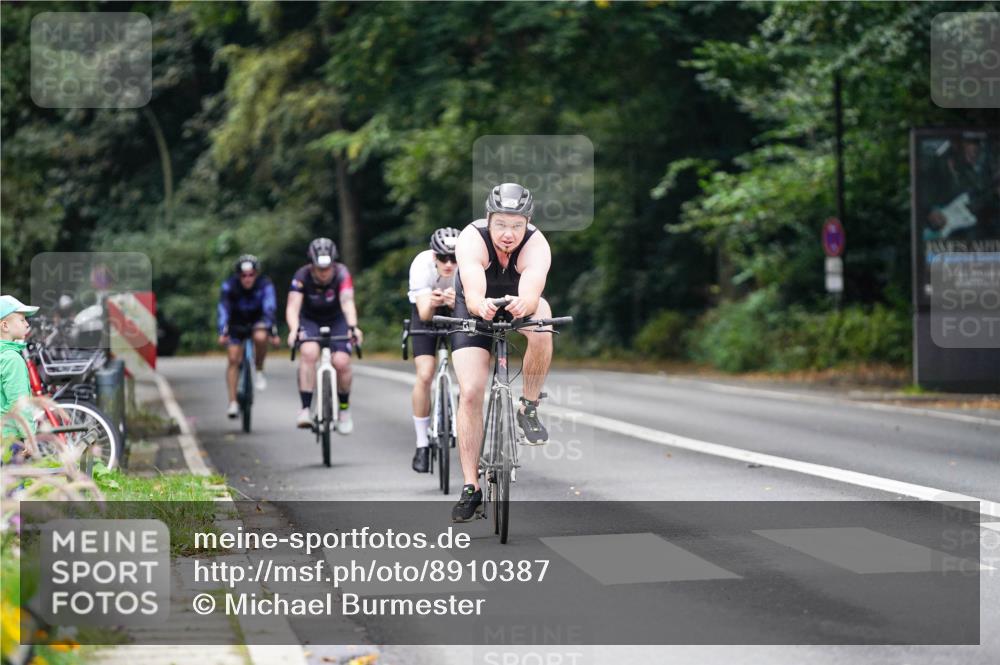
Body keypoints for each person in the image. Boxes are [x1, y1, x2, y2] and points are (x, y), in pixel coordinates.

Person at [449, 183, 554, 522]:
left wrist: (527, 302)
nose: (508, 234)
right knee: (470, 392)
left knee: (543, 323)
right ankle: (471, 487)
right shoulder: (471, 238)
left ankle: (529, 405)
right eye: (501, 225)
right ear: (488, 219)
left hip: (517, 298)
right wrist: (479, 304)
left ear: (527, 224)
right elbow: (473, 282)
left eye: (516, 226)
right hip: (474, 304)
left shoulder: (536, 244)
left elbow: (533, 282)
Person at [286, 238, 363, 433]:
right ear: (311, 265)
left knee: (342, 362)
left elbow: (347, 302)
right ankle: (305, 409)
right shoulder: (301, 275)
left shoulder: (342, 273)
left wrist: (353, 327)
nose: (324, 273)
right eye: (319, 269)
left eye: (327, 268)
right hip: (310, 320)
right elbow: (293, 306)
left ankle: (344, 410)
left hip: (337, 319)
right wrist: (294, 329)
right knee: (309, 352)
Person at [407, 227, 460, 473]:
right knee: (425, 374)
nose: (449, 264)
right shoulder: (421, 265)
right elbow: (424, 314)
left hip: (458, 311)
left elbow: (474, 306)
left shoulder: (470, 266)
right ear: (434, 257)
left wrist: (456, 303)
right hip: (425, 311)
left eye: (454, 258)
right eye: (443, 258)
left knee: (469, 371)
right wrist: (434, 301)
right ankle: (421, 444)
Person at [217, 254, 279, 418]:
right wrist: (223, 330)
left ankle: (259, 368)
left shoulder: (265, 285)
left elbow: (269, 307)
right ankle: (232, 402)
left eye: (251, 275)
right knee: (233, 360)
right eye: (244, 275)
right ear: (238, 275)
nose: (247, 279)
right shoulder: (229, 286)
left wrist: (272, 330)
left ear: (256, 274)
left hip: (258, 320)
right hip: (236, 322)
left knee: (260, 337)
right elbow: (223, 309)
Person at [0, 295, 40, 462]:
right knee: (13, 487)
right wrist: (29, 436)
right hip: (9, 437)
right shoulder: (11, 359)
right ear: (5, 325)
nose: (27, 324)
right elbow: (18, 403)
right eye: (22, 319)